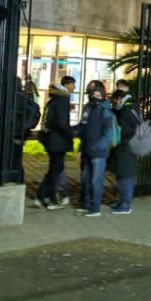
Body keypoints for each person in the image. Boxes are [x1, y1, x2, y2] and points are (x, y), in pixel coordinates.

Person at [35, 76, 75, 209]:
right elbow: (62, 122)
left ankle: (42, 196)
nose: (74, 88)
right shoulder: (63, 100)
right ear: (66, 85)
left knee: (54, 169)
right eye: (72, 85)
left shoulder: (53, 100)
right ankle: (50, 199)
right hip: (58, 141)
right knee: (55, 170)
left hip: (51, 139)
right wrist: (71, 133)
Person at [77, 80, 112, 217]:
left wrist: (97, 147)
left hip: (98, 153)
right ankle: (86, 204)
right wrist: (81, 148)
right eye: (94, 94)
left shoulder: (105, 110)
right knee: (86, 179)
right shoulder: (87, 108)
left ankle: (95, 207)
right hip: (86, 150)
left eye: (98, 95)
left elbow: (107, 133)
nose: (95, 97)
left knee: (95, 180)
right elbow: (83, 129)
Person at [107, 85, 140, 214]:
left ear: (119, 98)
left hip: (126, 147)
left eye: (114, 100)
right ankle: (122, 201)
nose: (113, 103)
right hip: (125, 147)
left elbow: (130, 129)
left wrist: (119, 130)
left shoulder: (127, 110)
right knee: (122, 175)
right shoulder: (129, 108)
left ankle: (125, 205)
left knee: (125, 176)